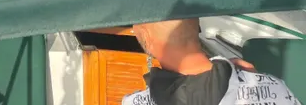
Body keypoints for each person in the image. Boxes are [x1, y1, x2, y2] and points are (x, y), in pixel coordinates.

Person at [122, 18, 302, 105]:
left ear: (146, 36)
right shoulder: (272, 89)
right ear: (197, 25)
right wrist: (256, 83)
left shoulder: (135, 103)